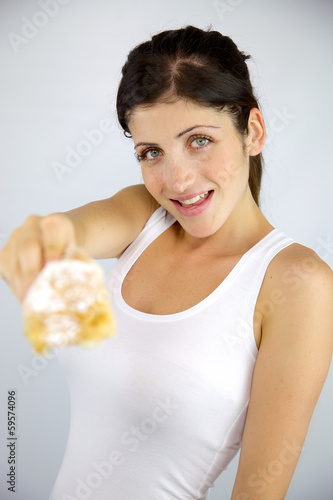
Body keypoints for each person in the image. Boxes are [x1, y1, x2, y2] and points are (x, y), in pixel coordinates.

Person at [0, 26, 332, 500]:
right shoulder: (145, 217)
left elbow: (258, 492)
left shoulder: (299, 283)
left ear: (252, 132)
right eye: (151, 152)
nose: (177, 180)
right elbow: (57, 234)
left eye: (199, 140)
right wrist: (36, 246)